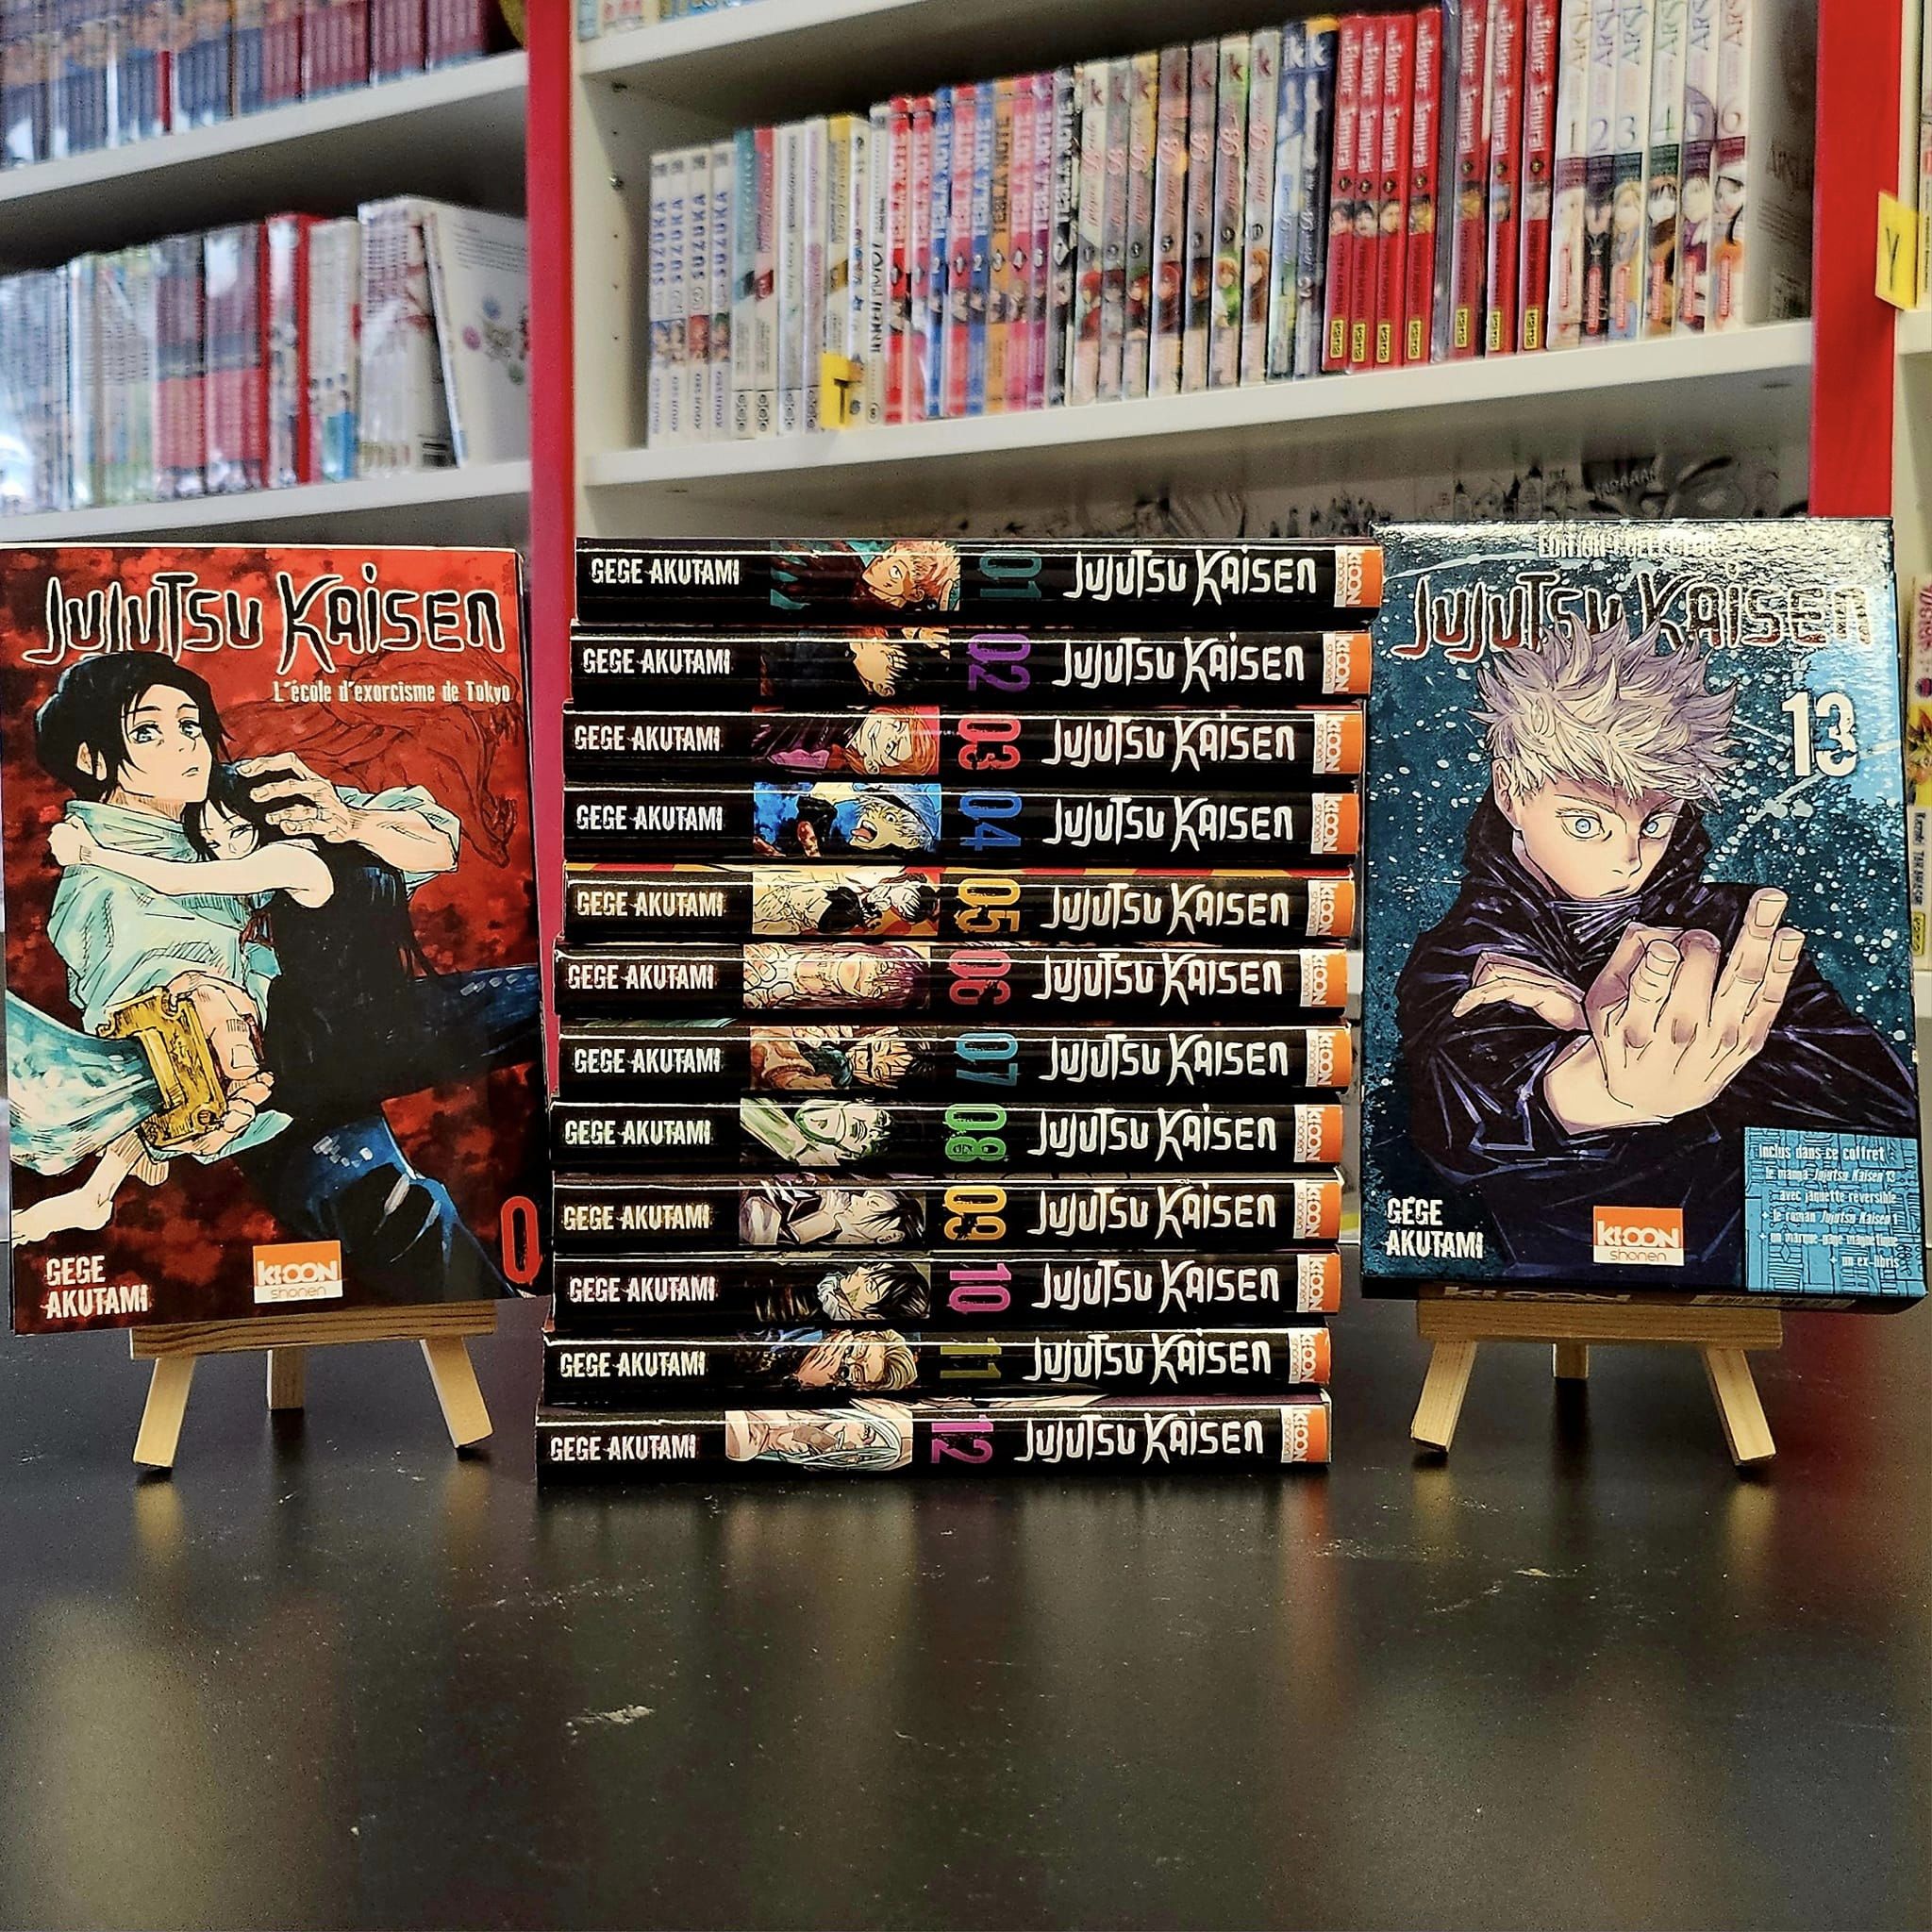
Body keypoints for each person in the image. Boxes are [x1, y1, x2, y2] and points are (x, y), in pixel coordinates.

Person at [1394, 618, 1918, 1282]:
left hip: (1743, 1265)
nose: (1628, 859)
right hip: (1548, 1269)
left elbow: (1883, 1110)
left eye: (1655, 822)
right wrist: (1599, 1090)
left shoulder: (1727, 925)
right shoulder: (1467, 950)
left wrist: (1611, 1032)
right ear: (1511, 794)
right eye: (1586, 823)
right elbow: (1455, 1110)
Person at [12, 652, 540, 1302]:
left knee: (556, 1000)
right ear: (94, 760)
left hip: (370, 1019)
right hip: (281, 1097)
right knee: (399, 1219)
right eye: (148, 732)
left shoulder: (243, 797)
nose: (185, 747)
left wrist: (348, 820)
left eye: (191, 725)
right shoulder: (102, 894)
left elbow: (435, 842)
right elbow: (160, 1007)